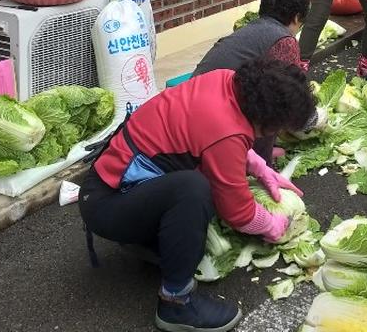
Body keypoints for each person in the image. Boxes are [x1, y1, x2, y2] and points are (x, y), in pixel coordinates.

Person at [79, 59, 315, 332]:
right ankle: (176, 303)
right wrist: (272, 225)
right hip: (108, 204)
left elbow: (215, 135)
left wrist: (257, 166)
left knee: (200, 186)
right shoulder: (225, 131)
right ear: (268, 119)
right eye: (278, 128)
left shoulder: (226, 79)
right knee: (193, 190)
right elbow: (238, 212)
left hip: (113, 185)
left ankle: (150, 243)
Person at [193, 0, 311, 162]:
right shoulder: (284, 41)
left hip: (196, 100)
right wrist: (311, 118)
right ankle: (259, 161)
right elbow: (288, 93)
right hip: (211, 117)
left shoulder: (252, 29)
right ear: (297, 17)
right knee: (272, 103)